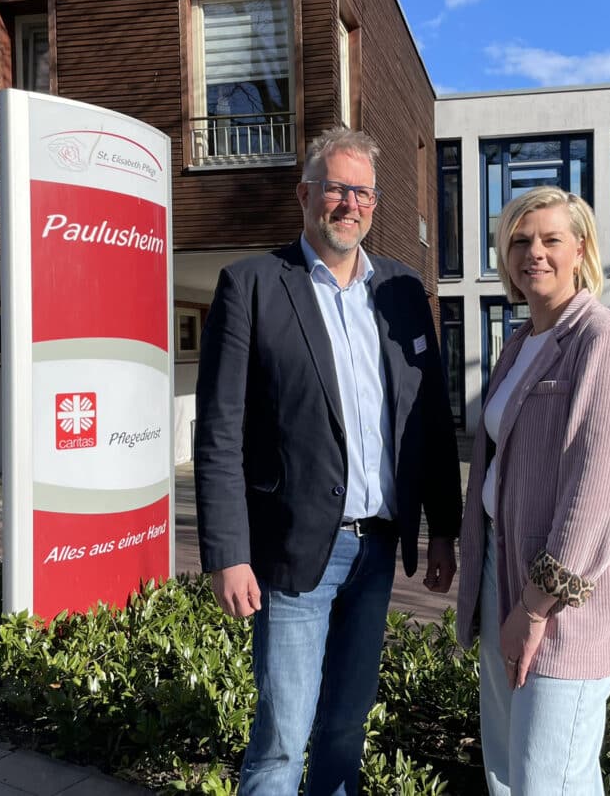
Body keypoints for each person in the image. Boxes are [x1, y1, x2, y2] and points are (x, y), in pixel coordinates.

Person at [194, 126, 463, 795]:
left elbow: (427, 418)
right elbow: (221, 429)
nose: (350, 203)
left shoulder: (401, 290)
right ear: (306, 194)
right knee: (283, 737)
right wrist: (228, 551)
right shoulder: (252, 285)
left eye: (362, 190)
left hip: (377, 550)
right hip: (293, 552)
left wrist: (445, 529)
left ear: (375, 201)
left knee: (346, 728)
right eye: (337, 187)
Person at [455, 186, 610, 795]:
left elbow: (599, 496)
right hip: (501, 574)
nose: (533, 253)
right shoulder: (517, 345)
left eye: (550, 239)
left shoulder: (606, 340)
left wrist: (536, 605)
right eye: (519, 240)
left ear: (581, 250)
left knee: (551, 777)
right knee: (507, 769)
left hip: (566, 602)